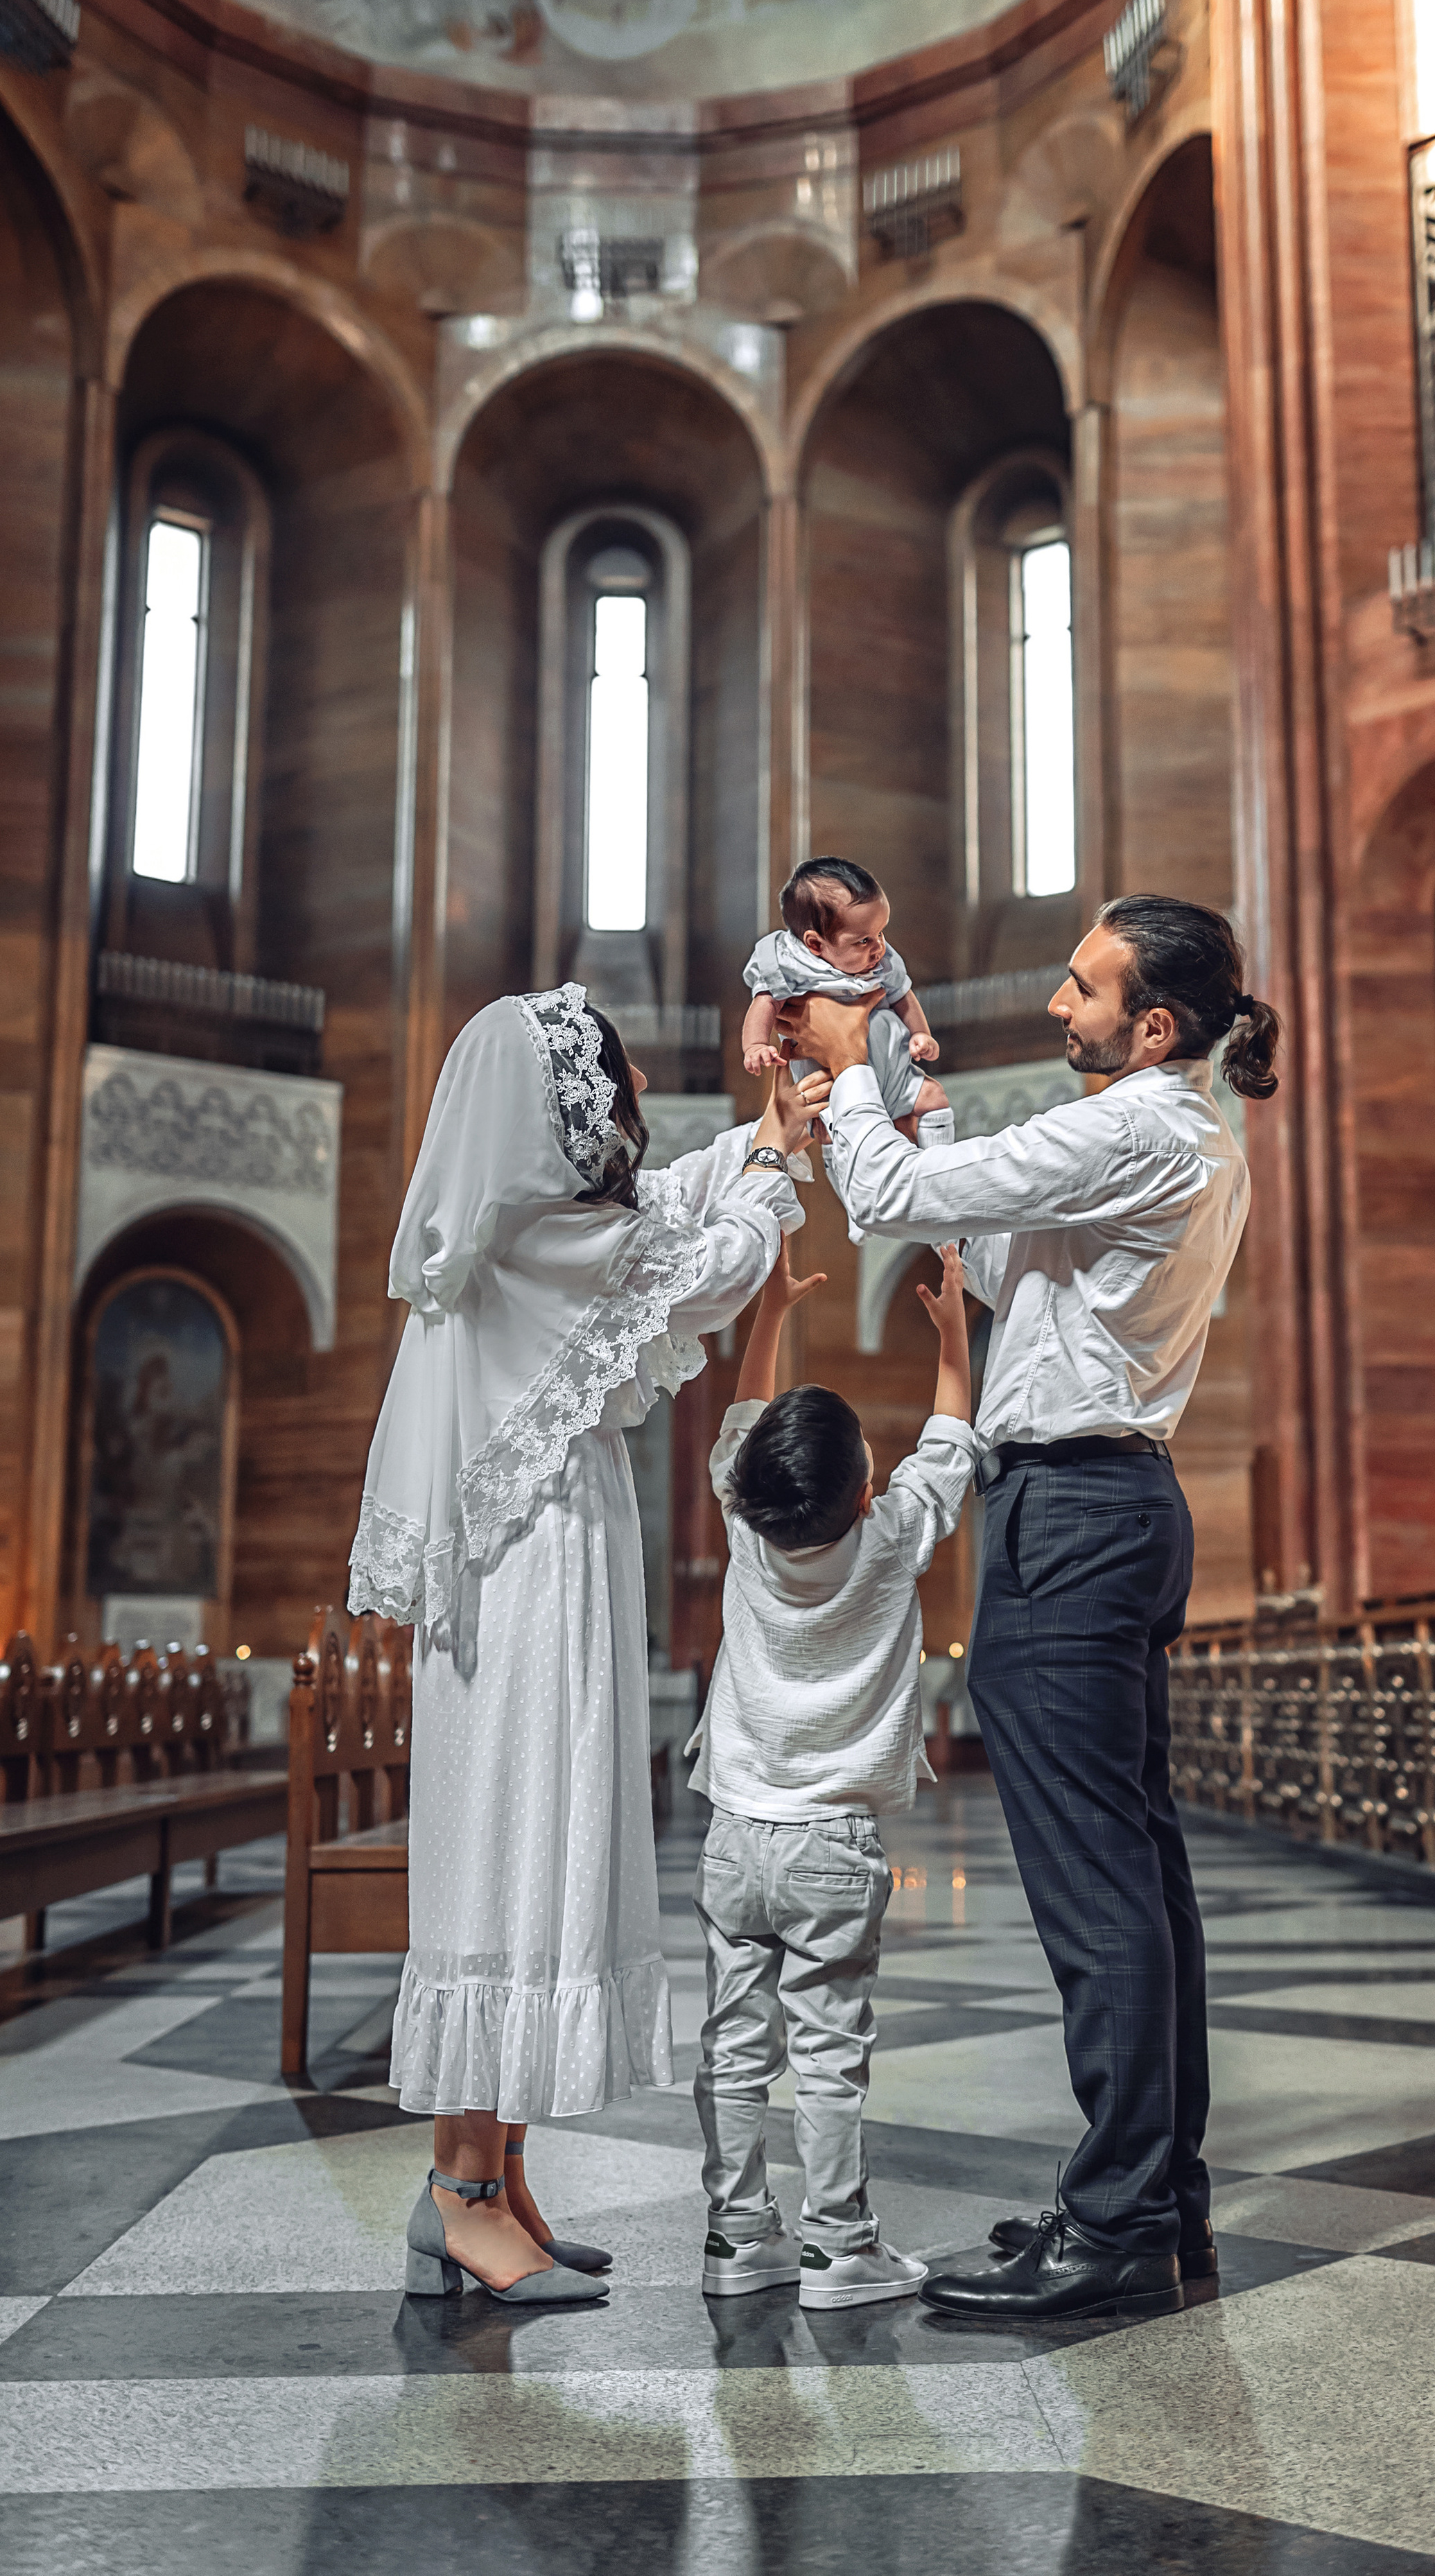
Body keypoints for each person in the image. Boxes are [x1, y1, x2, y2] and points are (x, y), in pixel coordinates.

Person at [784, 896, 1281, 2324]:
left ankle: (1121, 2216)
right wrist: (926, 1111)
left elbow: (881, 1205)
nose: (1058, 1008)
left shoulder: (1139, 1125)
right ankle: (1151, 2199)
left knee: (1096, 1886)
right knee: (1138, 1874)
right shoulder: (1174, 1132)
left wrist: (857, 1057)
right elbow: (995, 1250)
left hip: (1071, 1516)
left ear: (1154, 1026)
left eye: (1082, 989)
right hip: (1102, 1505)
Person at [346, 982, 819, 2305]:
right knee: (513, 1851)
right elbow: (709, 1264)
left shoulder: (548, 1225)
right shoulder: (531, 1237)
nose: (623, 1105)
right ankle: (459, 2194)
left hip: (564, 1552)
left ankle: (506, 2180)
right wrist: (775, 1159)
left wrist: (767, 1130)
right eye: (605, 1085)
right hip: (525, 1577)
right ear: (554, 1108)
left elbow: (670, 1206)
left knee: (551, 1842)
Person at [686, 1235, 980, 2310]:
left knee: (731, 2040)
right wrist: (955, 1332)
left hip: (732, 1835)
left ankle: (735, 2238)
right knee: (828, 2050)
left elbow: (740, 1412)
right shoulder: (893, 1538)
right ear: (866, 1494)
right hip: (833, 1849)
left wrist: (768, 1312)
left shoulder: (739, 1518)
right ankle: (838, 2247)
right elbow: (953, 1433)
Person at [742, 855, 949, 1140]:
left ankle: (934, 1166)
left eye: (881, 933)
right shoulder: (789, 963)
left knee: (933, 1096)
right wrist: (755, 1045)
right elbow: (765, 1002)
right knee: (832, 1128)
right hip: (832, 1077)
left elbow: (903, 995)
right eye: (863, 940)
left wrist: (921, 1034)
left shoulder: (880, 959)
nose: (878, 947)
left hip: (891, 1067)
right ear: (815, 944)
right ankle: (847, 1172)